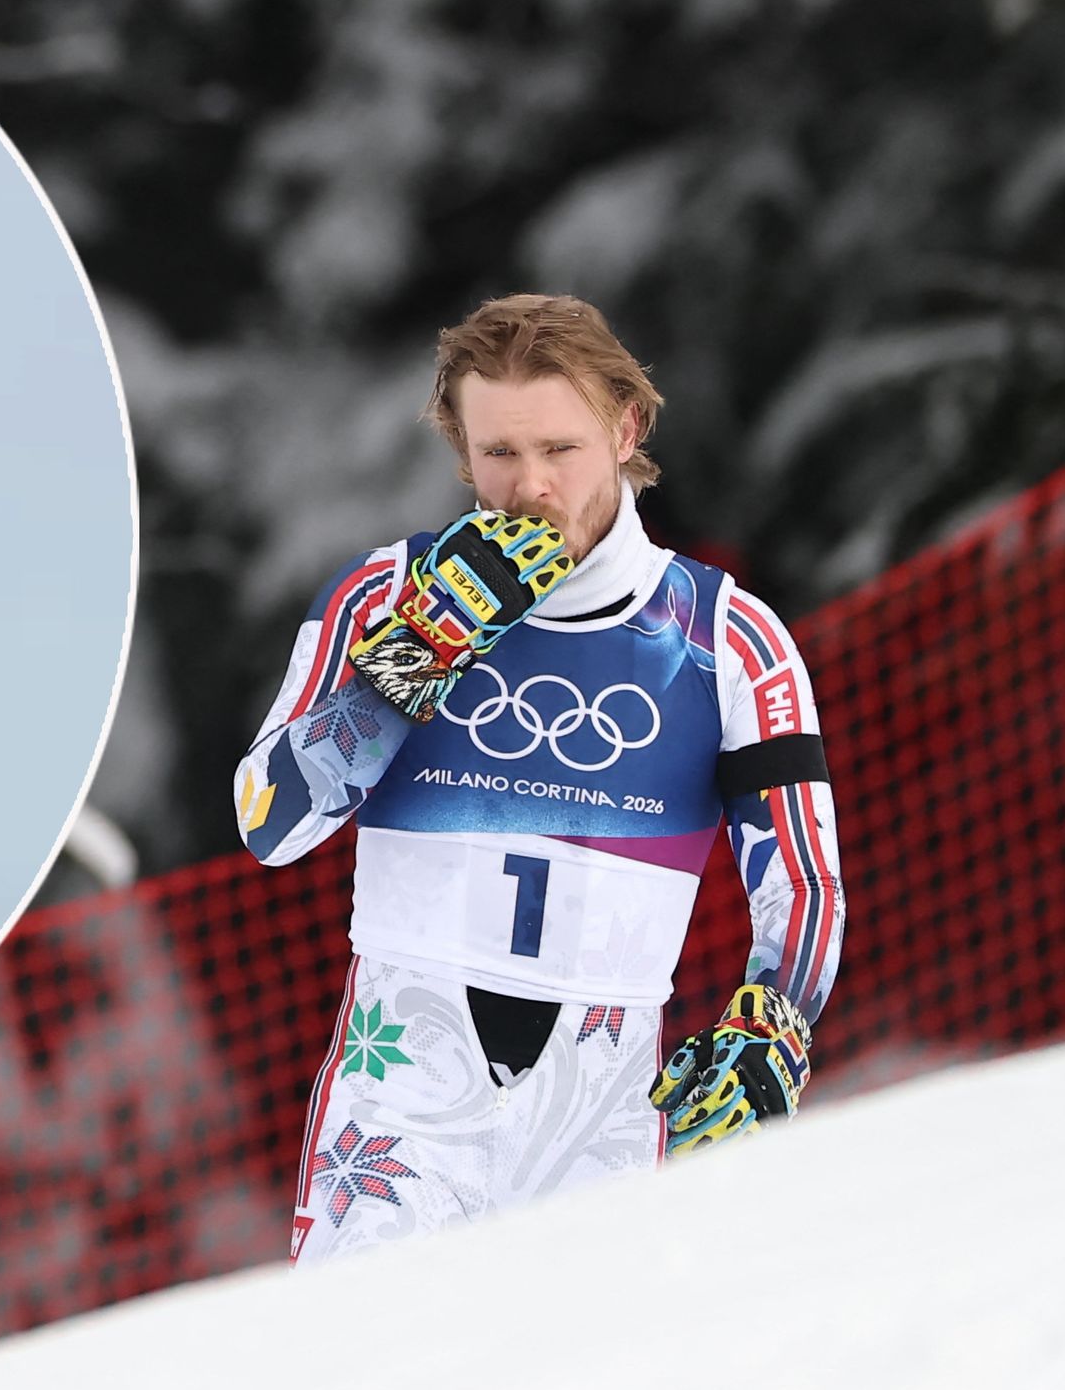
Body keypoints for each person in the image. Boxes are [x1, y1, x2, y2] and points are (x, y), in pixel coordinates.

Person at [238, 292, 849, 1263]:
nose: (529, 486)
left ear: (625, 429)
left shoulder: (724, 637)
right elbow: (270, 823)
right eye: (498, 452)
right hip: (400, 1095)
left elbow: (804, 885)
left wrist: (776, 1026)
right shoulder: (384, 594)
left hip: (604, 1104)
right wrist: (414, 658)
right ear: (460, 448)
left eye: (560, 448)